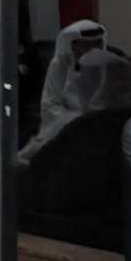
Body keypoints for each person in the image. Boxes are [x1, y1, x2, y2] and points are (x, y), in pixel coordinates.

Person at [18, 20, 109, 163]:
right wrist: (76, 119)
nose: (94, 49)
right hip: (65, 120)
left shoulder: (106, 65)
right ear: (74, 45)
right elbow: (50, 105)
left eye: (97, 43)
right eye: (87, 44)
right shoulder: (60, 65)